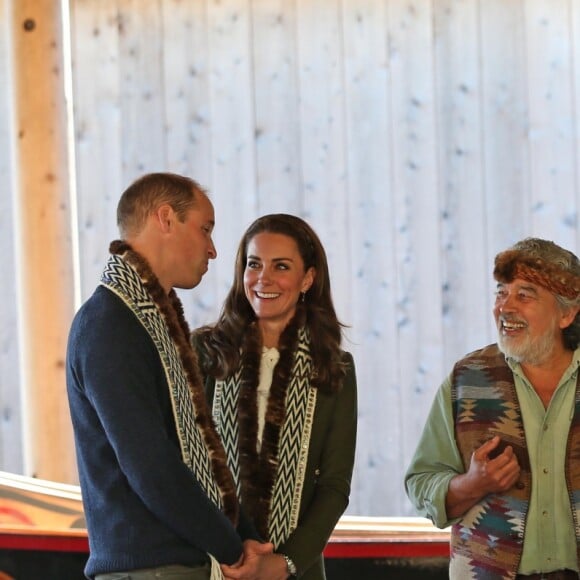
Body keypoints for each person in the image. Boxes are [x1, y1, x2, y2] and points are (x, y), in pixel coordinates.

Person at [66, 172, 272, 580]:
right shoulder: (110, 324)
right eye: (205, 229)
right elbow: (151, 467)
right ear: (165, 218)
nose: (213, 250)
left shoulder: (146, 322)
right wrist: (233, 549)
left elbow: (193, 446)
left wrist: (242, 535)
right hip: (147, 568)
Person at [192, 214, 357, 580]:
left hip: (295, 569)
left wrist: (282, 564)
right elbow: (188, 463)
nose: (263, 279)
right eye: (254, 264)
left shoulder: (335, 366)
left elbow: (334, 486)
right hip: (211, 564)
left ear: (307, 279)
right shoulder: (205, 350)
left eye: (281, 266)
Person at [405, 237, 580, 580]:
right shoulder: (467, 380)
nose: (505, 307)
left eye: (524, 295)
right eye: (501, 292)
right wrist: (473, 484)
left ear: (567, 313)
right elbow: (421, 481)